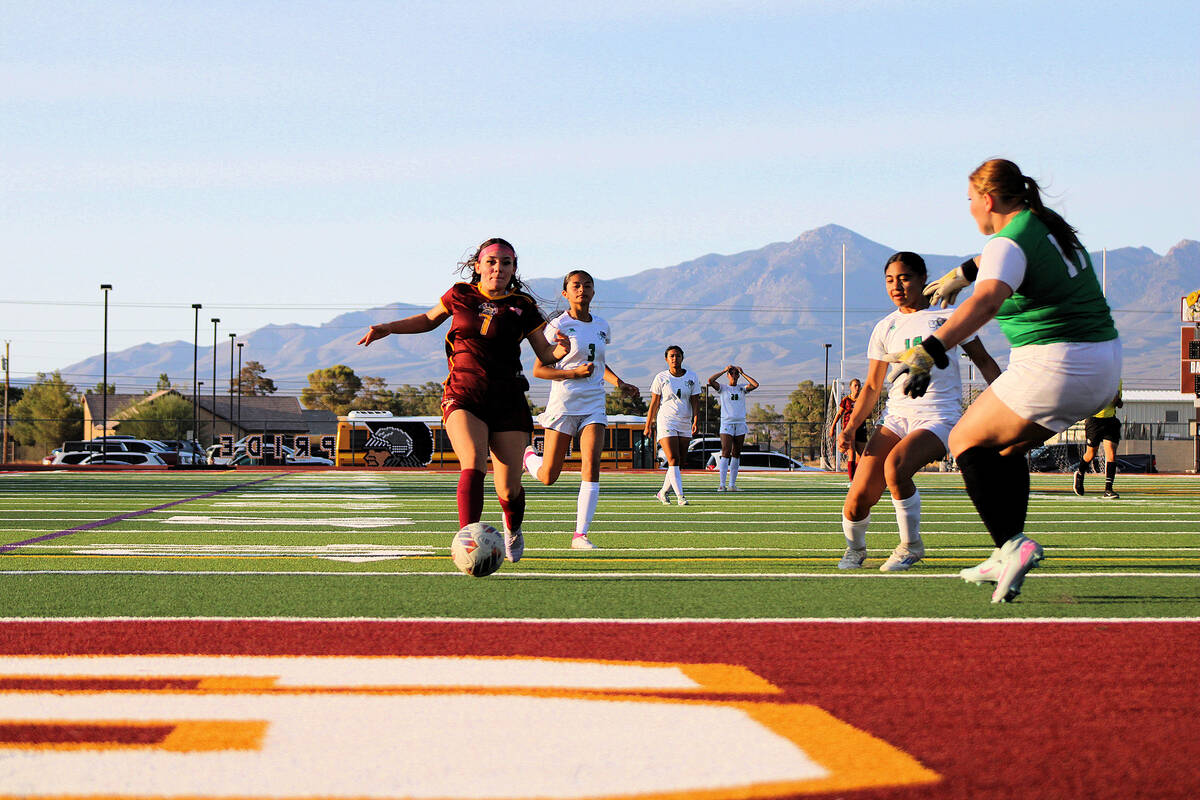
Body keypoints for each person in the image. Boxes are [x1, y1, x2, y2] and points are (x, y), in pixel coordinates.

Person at [902, 158, 1121, 602]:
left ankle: (1012, 545)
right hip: (1103, 366)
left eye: (969, 201)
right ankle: (1006, 549)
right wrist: (962, 273)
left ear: (987, 199)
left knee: (964, 440)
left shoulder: (1009, 240)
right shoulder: (1047, 226)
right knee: (1006, 449)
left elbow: (985, 303)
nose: (969, 210)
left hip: (1058, 363)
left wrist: (930, 349)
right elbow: (999, 262)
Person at [357, 238, 567, 563]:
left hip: (508, 399)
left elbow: (545, 353)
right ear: (478, 265)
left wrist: (560, 351)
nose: (499, 268)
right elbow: (428, 319)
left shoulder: (523, 306)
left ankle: (512, 529)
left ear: (514, 269)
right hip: (463, 393)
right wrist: (388, 327)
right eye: (492, 261)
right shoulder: (460, 294)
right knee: (473, 461)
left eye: (507, 262)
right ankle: (468, 543)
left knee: (509, 490)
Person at [836, 252, 1000, 572]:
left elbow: (985, 362)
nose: (896, 286)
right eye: (889, 280)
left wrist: (1010, 403)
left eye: (904, 277)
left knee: (896, 468)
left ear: (925, 279)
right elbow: (871, 386)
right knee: (857, 501)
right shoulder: (885, 327)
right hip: (896, 417)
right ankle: (855, 550)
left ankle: (911, 545)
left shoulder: (950, 316)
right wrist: (851, 427)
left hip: (939, 417)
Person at [523, 269, 641, 549]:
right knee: (549, 476)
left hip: (594, 404)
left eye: (587, 285)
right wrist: (572, 374)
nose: (582, 289)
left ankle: (580, 535)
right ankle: (528, 456)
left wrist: (619, 382)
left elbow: (598, 364)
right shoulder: (557, 326)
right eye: (576, 285)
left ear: (593, 292)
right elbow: (539, 369)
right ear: (565, 293)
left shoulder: (602, 326)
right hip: (564, 403)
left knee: (592, 463)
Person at [644, 345, 700, 505]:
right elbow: (654, 403)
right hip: (666, 420)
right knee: (673, 459)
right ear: (666, 359)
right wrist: (648, 424)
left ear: (683, 357)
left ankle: (662, 492)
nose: (675, 359)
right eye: (671, 356)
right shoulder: (661, 377)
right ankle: (680, 496)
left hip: (684, 421)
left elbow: (695, 401)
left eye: (677, 356)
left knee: (680, 461)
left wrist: (696, 420)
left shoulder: (692, 377)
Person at [706, 365, 759, 491]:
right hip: (727, 424)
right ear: (728, 375)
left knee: (736, 453)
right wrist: (724, 370)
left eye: (736, 374)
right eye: (731, 373)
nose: (734, 376)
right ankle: (722, 484)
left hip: (740, 423)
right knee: (725, 452)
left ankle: (732, 485)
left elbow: (755, 384)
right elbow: (710, 381)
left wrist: (743, 372)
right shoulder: (723, 388)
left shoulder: (742, 388)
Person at [1074, 382, 1123, 498]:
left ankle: (1108, 489)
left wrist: (1117, 401)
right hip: (1095, 420)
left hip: (1110, 420)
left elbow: (1119, 403)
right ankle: (1080, 474)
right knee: (1091, 453)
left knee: (1111, 453)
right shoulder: (1099, 378)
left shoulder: (1118, 380)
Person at [828, 379, 868, 481]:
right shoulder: (846, 400)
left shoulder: (863, 400)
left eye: (859, 386)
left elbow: (869, 415)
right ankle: (852, 479)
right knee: (852, 453)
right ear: (850, 387)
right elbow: (839, 414)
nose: (857, 388)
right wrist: (832, 427)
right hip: (848, 430)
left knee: (862, 455)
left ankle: (858, 477)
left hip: (861, 428)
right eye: (855, 386)